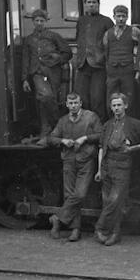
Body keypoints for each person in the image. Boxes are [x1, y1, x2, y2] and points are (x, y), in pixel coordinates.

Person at [47, 92, 103, 242]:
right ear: (66, 104)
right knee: (69, 195)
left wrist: (85, 138)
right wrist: (63, 141)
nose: (73, 106)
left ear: (81, 103)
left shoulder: (91, 117)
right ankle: (75, 229)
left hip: (86, 159)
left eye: (75, 103)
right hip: (69, 160)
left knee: (80, 194)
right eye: (70, 103)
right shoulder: (63, 121)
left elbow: (101, 134)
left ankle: (57, 219)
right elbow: (51, 138)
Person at [94, 93, 140, 247]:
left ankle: (100, 228)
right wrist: (98, 170)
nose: (116, 108)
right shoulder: (107, 124)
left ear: (126, 106)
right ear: (111, 107)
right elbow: (102, 148)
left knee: (115, 200)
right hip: (107, 165)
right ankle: (115, 234)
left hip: (123, 165)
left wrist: (133, 148)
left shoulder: (135, 124)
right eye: (114, 105)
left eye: (119, 105)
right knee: (108, 201)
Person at [21, 9, 73, 146]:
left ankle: (46, 132)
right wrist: (25, 79)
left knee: (49, 99)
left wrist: (58, 59)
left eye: (42, 21)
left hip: (53, 72)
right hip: (37, 72)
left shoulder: (53, 36)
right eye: (36, 21)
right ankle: (56, 124)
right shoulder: (28, 40)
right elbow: (26, 60)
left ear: (46, 22)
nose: (39, 23)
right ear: (33, 22)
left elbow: (67, 52)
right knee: (45, 96)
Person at [75, 0, 114, 123]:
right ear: (85, 4)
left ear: (98, 4)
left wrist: (102, 58)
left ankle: (99, 128)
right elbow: (79, 39)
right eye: (89, 2)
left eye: (94, 2)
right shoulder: (81, 21)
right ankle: (85, 127)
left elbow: (111, 43)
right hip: (82, 64)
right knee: (82, 98)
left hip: (98, 65)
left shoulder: (106, 21)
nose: (91, 5)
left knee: (97, 98)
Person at [102, 5, 140, 117]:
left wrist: (136, 68)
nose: (121, 19)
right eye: (118, 16)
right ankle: (112, 120)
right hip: (112, 71)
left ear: (127, 17)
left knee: (129, 97)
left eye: (124, 16)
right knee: (111, 96)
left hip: (127, 70)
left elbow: (139, 49)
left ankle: (128, 121)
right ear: (114, 17)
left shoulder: (133, 31)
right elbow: (106, 51)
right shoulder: (108, 33)